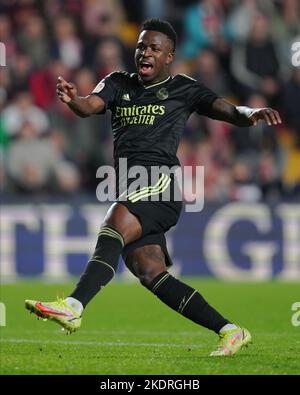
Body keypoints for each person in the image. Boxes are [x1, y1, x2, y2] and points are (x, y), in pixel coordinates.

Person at [25, 19, 281, 356]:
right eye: (141, 46)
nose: (145, 52)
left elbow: (229, 110)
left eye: (153, 48)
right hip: (132, 184)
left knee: (114, 220)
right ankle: (231, 330)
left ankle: (74, 305)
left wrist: (251, 113)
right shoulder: (118, 83)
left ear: (169, 57)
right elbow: (89, 106)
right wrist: (74, 100)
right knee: (149, 271)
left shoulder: (184, 88)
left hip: (160, 183)